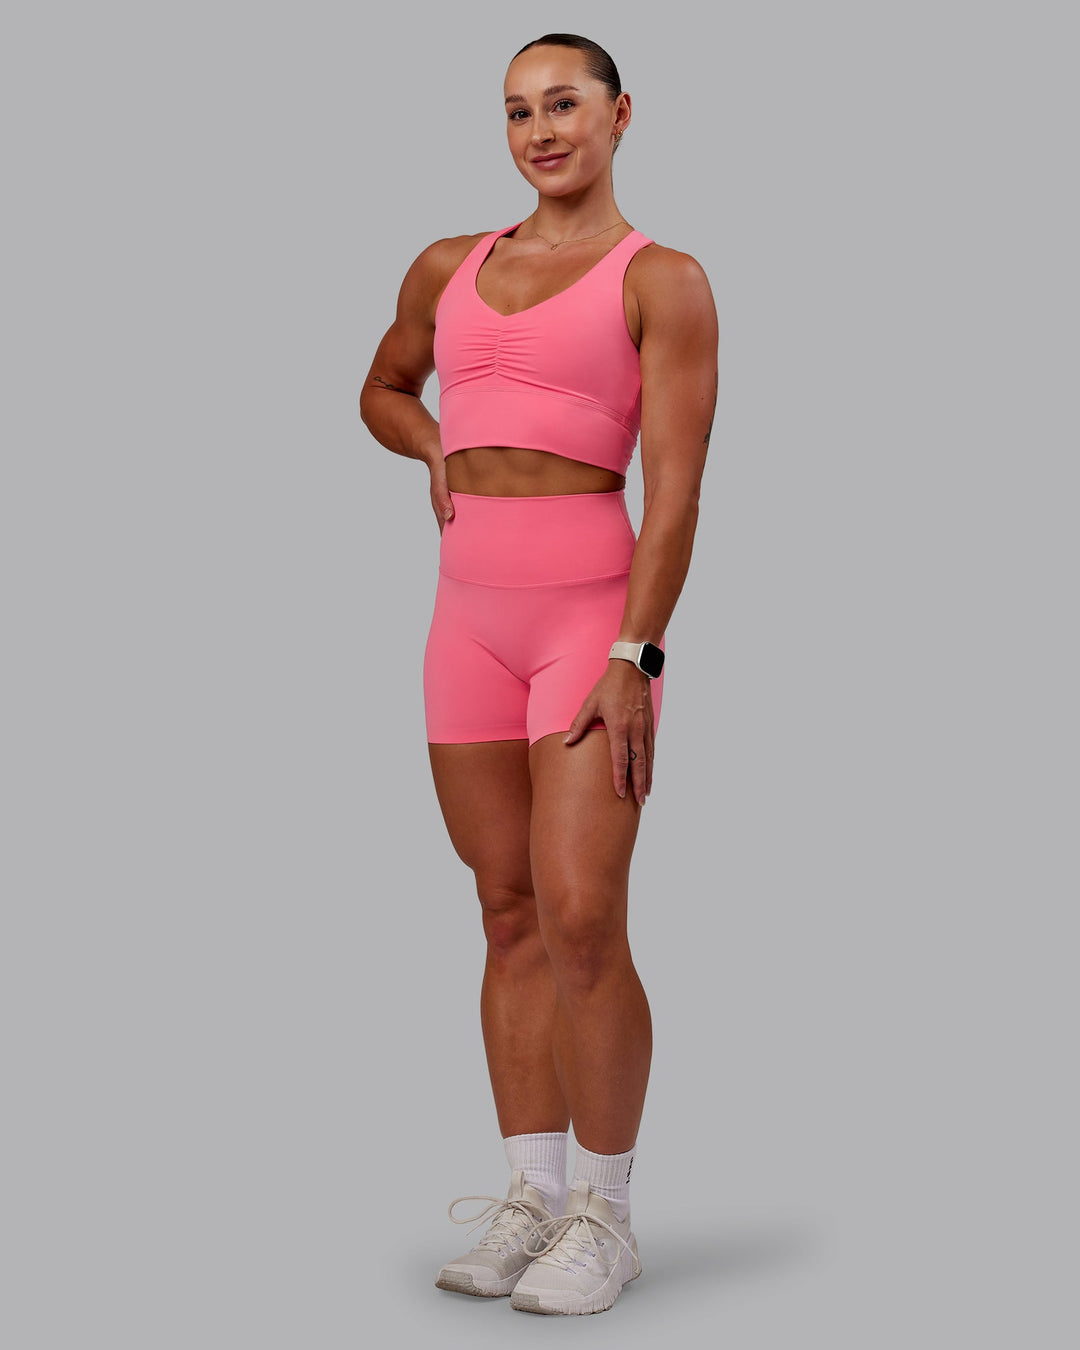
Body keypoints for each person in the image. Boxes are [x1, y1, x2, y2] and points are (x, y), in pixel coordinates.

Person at [359, 33, 717, 1316]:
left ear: (621, 115)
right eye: (518, 112)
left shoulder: (661, 279)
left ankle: (605, 1218)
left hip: (587, 622)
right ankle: (530, 1193)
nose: (540, 131)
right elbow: (383, 387)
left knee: (579, 914)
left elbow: (676, 490)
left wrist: (635, 653)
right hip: (466, 619)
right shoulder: (448, 265)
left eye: (564, 104)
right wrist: (433, 445)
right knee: (505, 910)